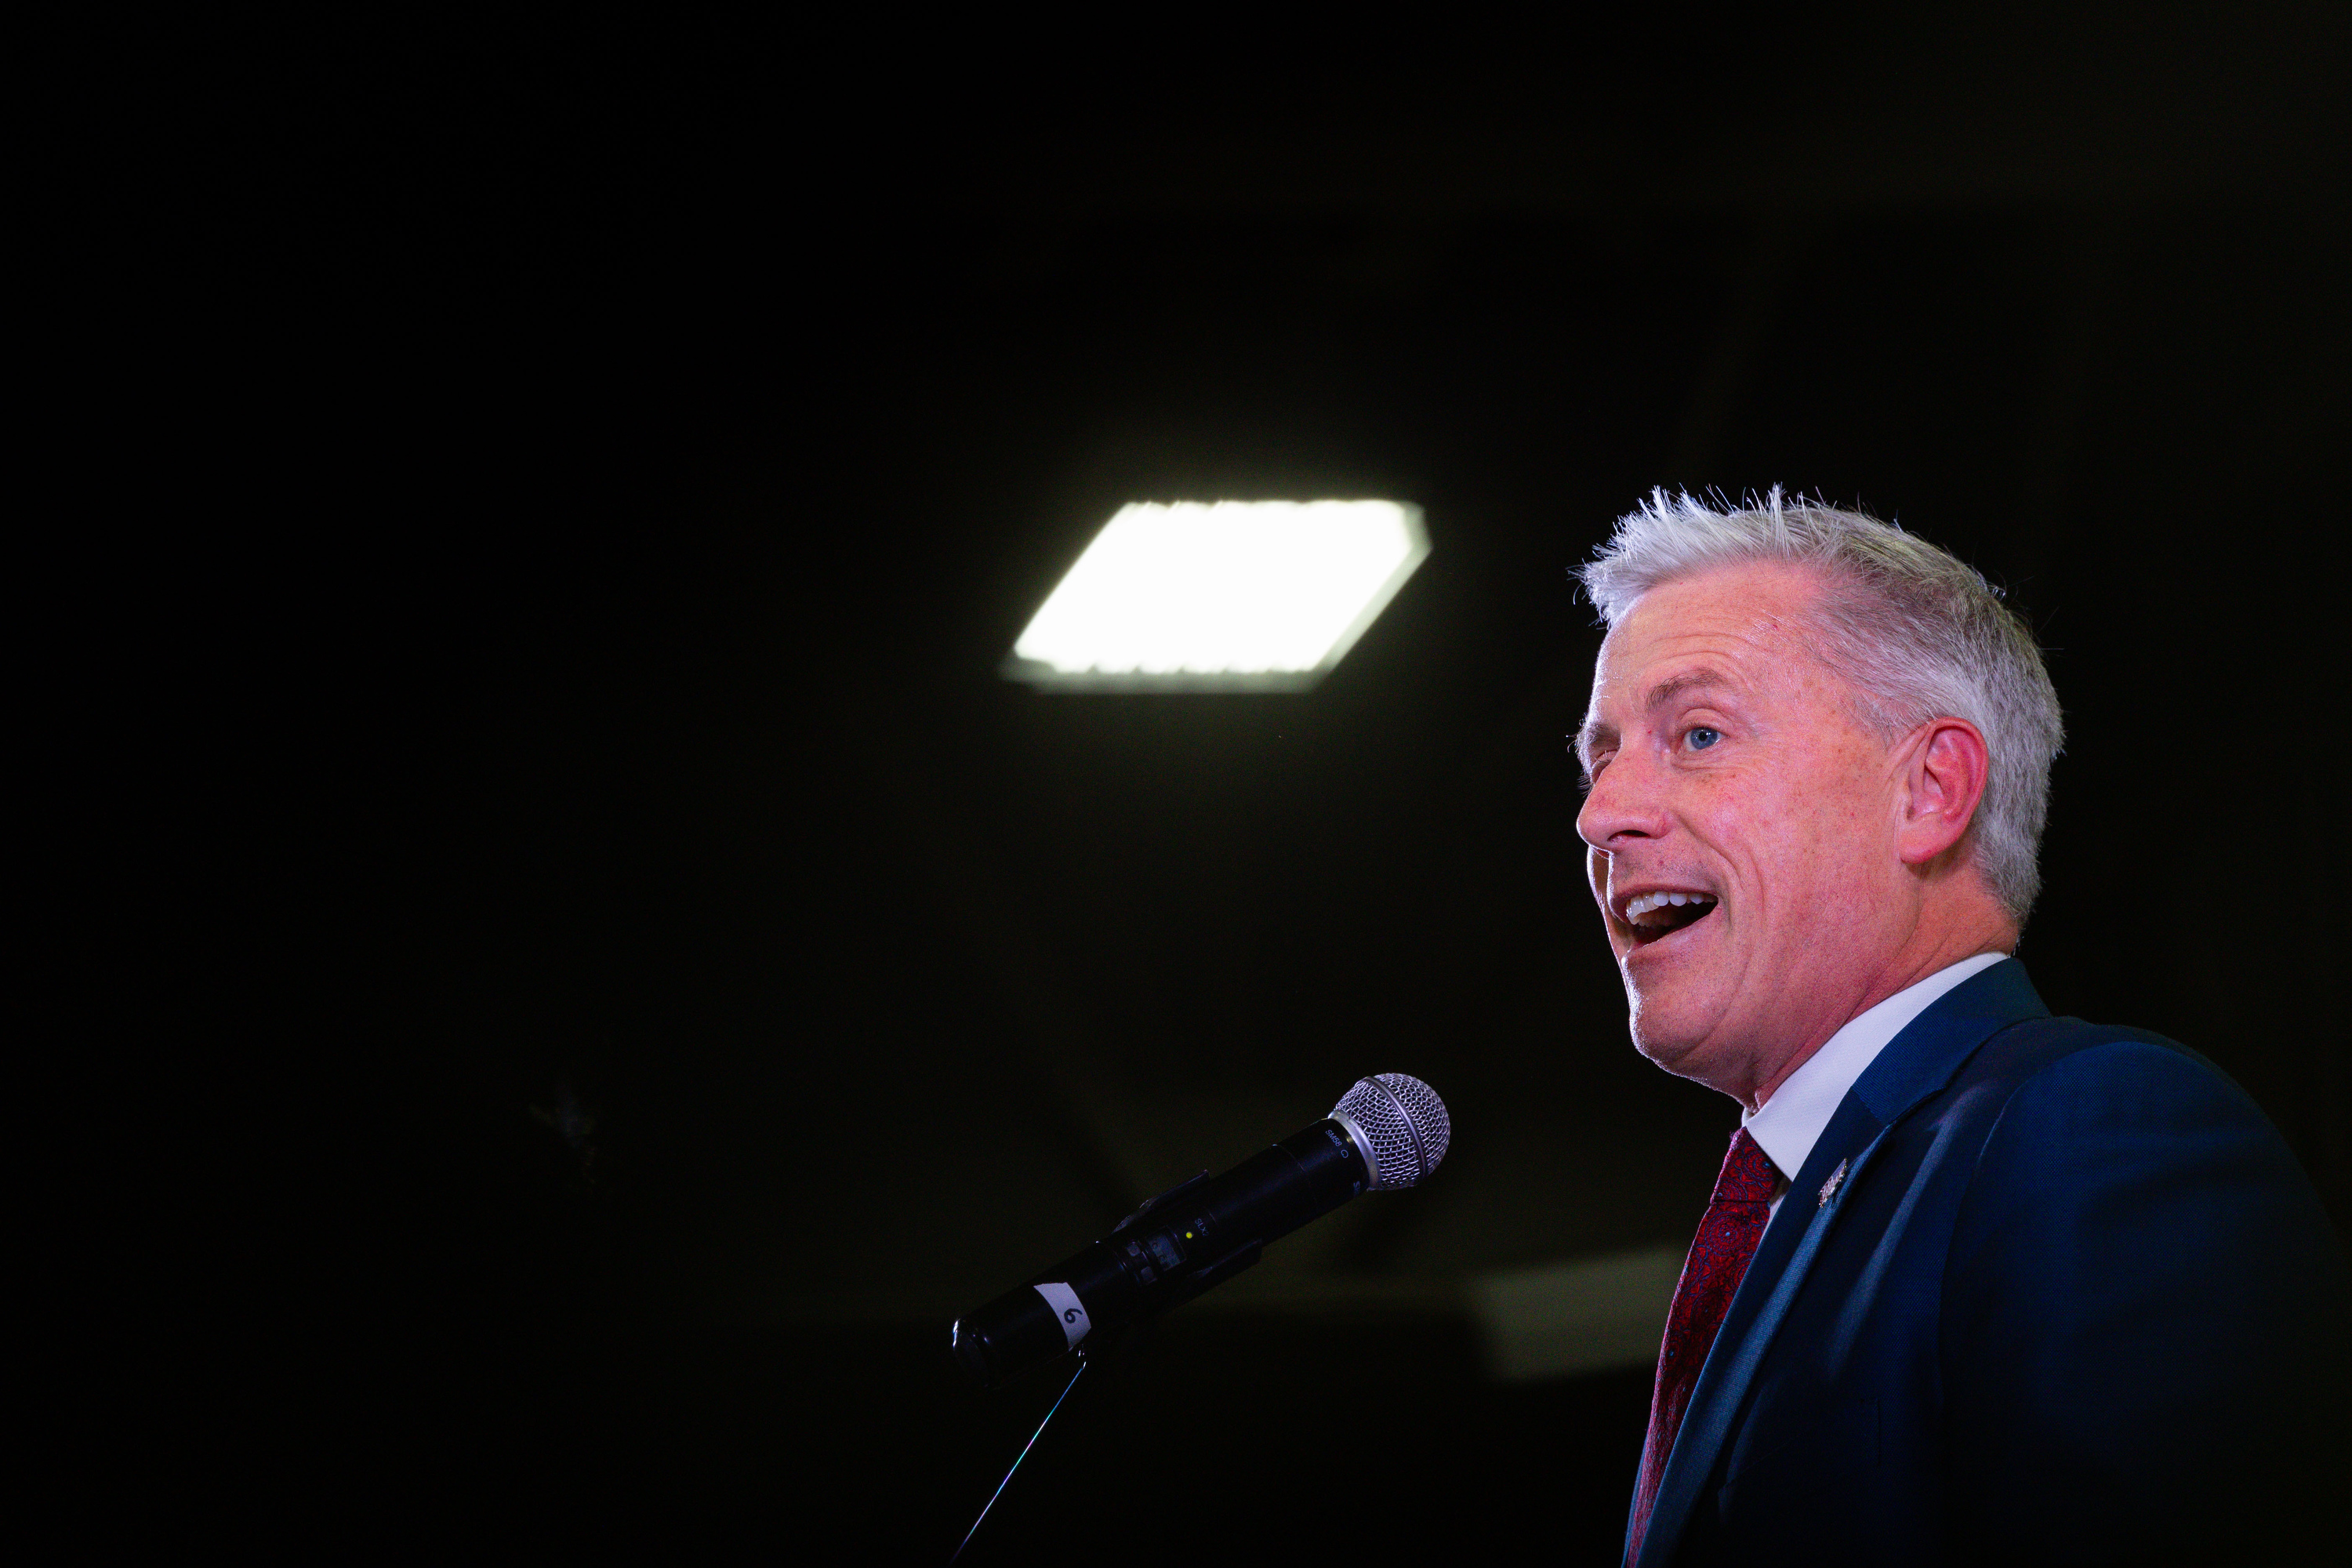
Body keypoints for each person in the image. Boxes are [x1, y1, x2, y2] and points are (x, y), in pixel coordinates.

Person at [1570, 490, 2348, 1566]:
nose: (1601, 813)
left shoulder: (2093, 1135)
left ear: (1931, 791)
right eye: (1600, 757)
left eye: (1697, 734)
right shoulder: (1808, 1198)